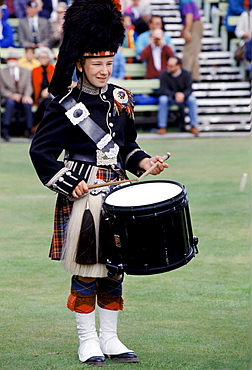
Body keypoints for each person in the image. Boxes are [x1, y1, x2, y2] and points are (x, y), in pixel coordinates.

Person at [29, 0, 168, 366]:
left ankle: (111, 338)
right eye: (97, 64)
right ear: (80, 63)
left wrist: (144, 162)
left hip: (118, 190)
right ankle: (87, 340)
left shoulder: (121, 99)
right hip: (84, 193)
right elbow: (41, 152)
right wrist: (69, 182)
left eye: (109, 63)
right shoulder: (65, 103)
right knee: (88, 271)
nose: (104, 71)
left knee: (115, 271)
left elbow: (127, 146)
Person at [156, 56, 200, 136]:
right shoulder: (164, 74)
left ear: (178, 66)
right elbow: (163, 89)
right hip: (170, 98)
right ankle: (162, 127)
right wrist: (175, 95)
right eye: (168, 65)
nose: (168, 67)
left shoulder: (186, 74)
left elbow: (189, 89)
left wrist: (183, 95)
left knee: (192, 100)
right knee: (162, 99)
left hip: (184, 98)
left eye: (171, 66)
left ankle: (194, 126)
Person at [0, 48, 33, 141]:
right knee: (10, 103)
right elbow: (2, 89)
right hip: (8, 97)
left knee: (27, 104)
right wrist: (11, 95)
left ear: (17, 60)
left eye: (14, 59)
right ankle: (5, 129)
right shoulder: (2, 72)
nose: (12, 61)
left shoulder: (26, 71)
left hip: (22, 95)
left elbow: (28, 86)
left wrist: (26, 95)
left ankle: (29, 129)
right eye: (10, 59)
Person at [177, 0, 204, 82]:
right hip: (196, 24)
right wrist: (183, 29)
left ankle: (185, 77)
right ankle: (195, 76)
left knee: (188, 52)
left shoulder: (184, 1)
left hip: (194, 24)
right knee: (194, 52)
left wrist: (187, 31)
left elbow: (189, 16)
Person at [32, 46, 55, 129]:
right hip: (38, 95)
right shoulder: (35, 70)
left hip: (51, 95)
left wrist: (48, 90)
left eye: (44, 57)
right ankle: (37, 126)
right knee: (45, 103)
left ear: (49, 58)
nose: (42, 59)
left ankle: (38, 126)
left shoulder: (53, 69)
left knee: (48, 102)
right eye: (40, 57)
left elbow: (56, 84)